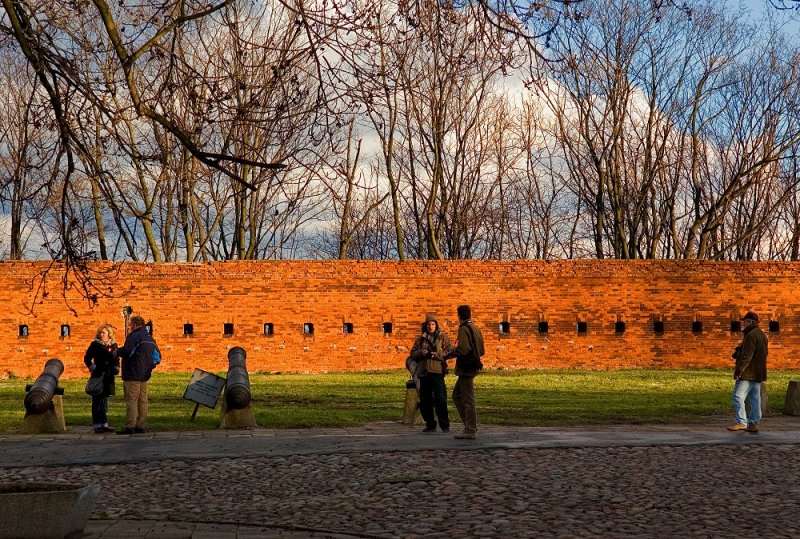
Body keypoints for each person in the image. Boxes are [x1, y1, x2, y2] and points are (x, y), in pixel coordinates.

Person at [444, 305, 485, 440]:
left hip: (466, 367)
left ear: (459, 315)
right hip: (473, 365)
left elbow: (463, 349)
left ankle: (470, 429)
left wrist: (450, 354)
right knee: (456, 396)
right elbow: (482, 350)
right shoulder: (476, 329)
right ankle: (468, 424)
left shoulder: (463, 329)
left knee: (467, 399)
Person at [409, 314, 454, 433]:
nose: (431, 326)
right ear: (426, 326)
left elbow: (450, 350)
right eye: (429, 324)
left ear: (436, 325)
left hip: (437, 370)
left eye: (433, 324)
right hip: (424, 371)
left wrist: (437, 355)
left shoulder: (442, 337)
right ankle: (430, 424)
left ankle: (445, 425)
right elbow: (412, 354)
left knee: (441, 398)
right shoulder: (421, 339)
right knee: (425, 400)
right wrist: (421, 353)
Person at [117, 315, 160, 435]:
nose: (129, 328)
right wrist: (150, 366)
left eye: (130, 325)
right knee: (142, 401)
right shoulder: (149, 338)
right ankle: (140, 425)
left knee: (131, 400)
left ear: (135, 325)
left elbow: (127, 351)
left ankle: (130, 425)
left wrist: (116, 351)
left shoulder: (134, 336)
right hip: (144, 374)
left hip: (132, 373)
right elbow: (157, 356)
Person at [727, 311, 768, 434]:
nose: (743, 324)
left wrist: (739, 371)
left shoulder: (750, 335)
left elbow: (747, 356)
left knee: (737, 396)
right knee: (755, 399)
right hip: (758, 372)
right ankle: (754, 423)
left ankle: (741, 421)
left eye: (744, 321)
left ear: (750, 322)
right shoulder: (762, 335)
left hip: (748, 372)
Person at [83, 324, 119, 433]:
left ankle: (104, 423)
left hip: (108, 376)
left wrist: (116, 367)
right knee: (97, 400)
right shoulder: (95, 345)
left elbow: (117, 359)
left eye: (104, 333)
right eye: (100, 333)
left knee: (105, 401)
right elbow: (87, 358)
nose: (101, 334)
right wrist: (92, 367)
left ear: (109, 334)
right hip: (98, 375)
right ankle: (97, 424)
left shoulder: (114, 345)